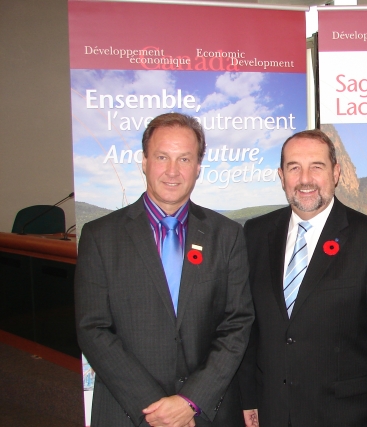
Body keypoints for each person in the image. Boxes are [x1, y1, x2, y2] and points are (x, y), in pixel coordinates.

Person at [75, 113, 254, 427]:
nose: (173, 171)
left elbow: (237, 323)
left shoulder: (227, 235)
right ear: (144, 162)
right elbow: (92, 328)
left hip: (206, 411)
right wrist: (154, 408)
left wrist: (190, 401)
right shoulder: (100, 236)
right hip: (128, 411)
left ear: (198, 167)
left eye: (184, 158)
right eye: (162, 157)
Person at [238, 129, 367, 427]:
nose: (305, 179)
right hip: (271, 414)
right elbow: (248, 328)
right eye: (294, 167)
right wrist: (248, 398)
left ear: (336, 172)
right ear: (281, 176)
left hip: (344, 417)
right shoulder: (254, 234)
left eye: (316, 166)